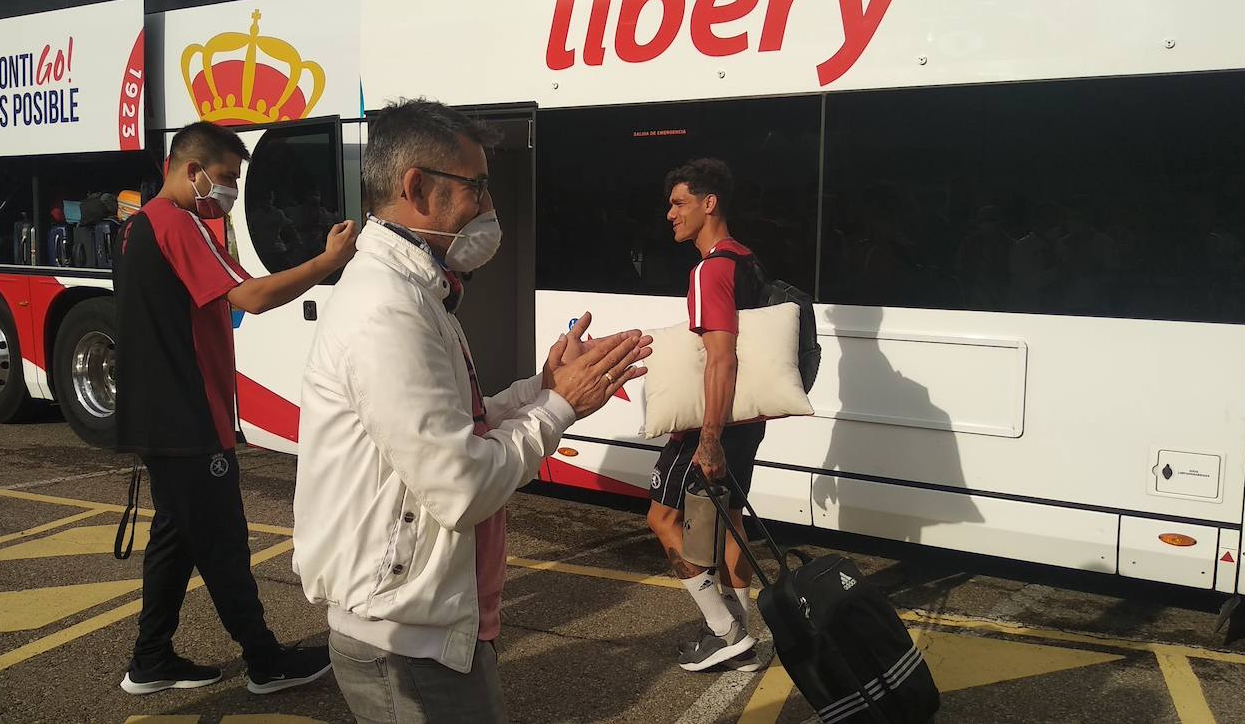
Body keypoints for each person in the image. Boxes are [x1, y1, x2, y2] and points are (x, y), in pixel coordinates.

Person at [293, 99, 651, 723]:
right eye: (478, 186)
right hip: (405, 644)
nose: (489, 207)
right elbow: (461, 485)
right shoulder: (387, 309)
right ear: (417, 188)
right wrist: (562, 405)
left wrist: (544, 387)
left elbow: (466, 425)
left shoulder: (417, 292)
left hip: (428, 629)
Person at [113, 121, 357, 695]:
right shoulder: (180, 224)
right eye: (225, 178)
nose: (228, 191)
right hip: (188, 418)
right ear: (190, 169)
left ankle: (151, 659)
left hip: (158, 417)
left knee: (176, 539)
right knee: (223, 542)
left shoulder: (137, 227)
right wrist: (327, 262)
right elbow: (250, 297)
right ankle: (266, 659)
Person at [647, 158, 767, 672]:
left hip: (713, 425)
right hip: (748, 420)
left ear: (708, 202)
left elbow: (721, 357)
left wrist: (709, 436)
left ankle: (724, 631)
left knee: (663, 517)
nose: (670, 214)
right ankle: (742, 642)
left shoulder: (711, 269)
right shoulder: (747, 260)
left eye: (679, 203)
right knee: (730, 522)